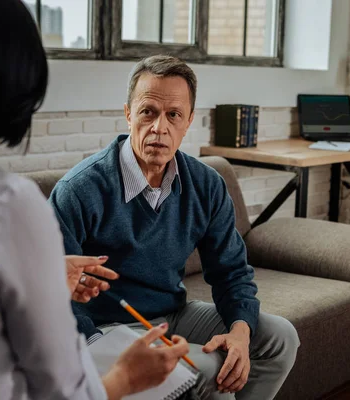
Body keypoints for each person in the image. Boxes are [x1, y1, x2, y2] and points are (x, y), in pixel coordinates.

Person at [0, 1, 194, 399]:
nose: (160, 127)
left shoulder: (199, 181)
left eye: (174, 115)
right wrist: (125, 377)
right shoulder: (3, 204)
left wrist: (45, 273)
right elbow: (65, 391)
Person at [49, 54, 300, 399]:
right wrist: (97, 351)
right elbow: (51, 291)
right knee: (209, 367)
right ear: (128, 114)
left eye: (173, 115)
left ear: (188, 122)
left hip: (173, 314)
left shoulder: (206, 185)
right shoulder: (79, 190)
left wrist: (240, 331)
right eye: (148, 112)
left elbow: (231, 272)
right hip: (107, 329)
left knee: (280, 337)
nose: (159, 127)